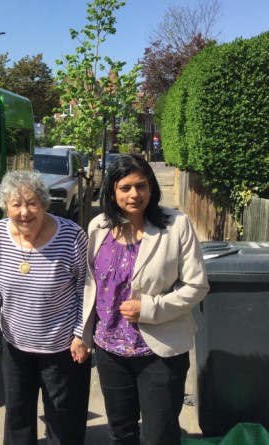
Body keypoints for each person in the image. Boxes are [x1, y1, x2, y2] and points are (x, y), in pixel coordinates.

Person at [82, 154, 209, 445]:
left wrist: (150, 309)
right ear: (112, 192)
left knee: (160, 435)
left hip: (160, 351)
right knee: (121, 432)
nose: (134, 194)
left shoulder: (176, 225)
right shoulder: (98, 227)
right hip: (110, 349)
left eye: (141, 186)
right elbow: (92, 285)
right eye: (125, 187)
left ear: (152, 188)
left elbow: (197, 285)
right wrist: (84, 333)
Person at [0, 170, 91, 445]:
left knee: (63, 422)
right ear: (6, 207)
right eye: (16, 204)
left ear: (44, 203)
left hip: (62, 348)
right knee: (17, 419)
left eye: (32, 203)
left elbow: (87, 289)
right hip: (15, 346)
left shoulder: (72, 236)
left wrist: (81, 334)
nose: (24, 212)